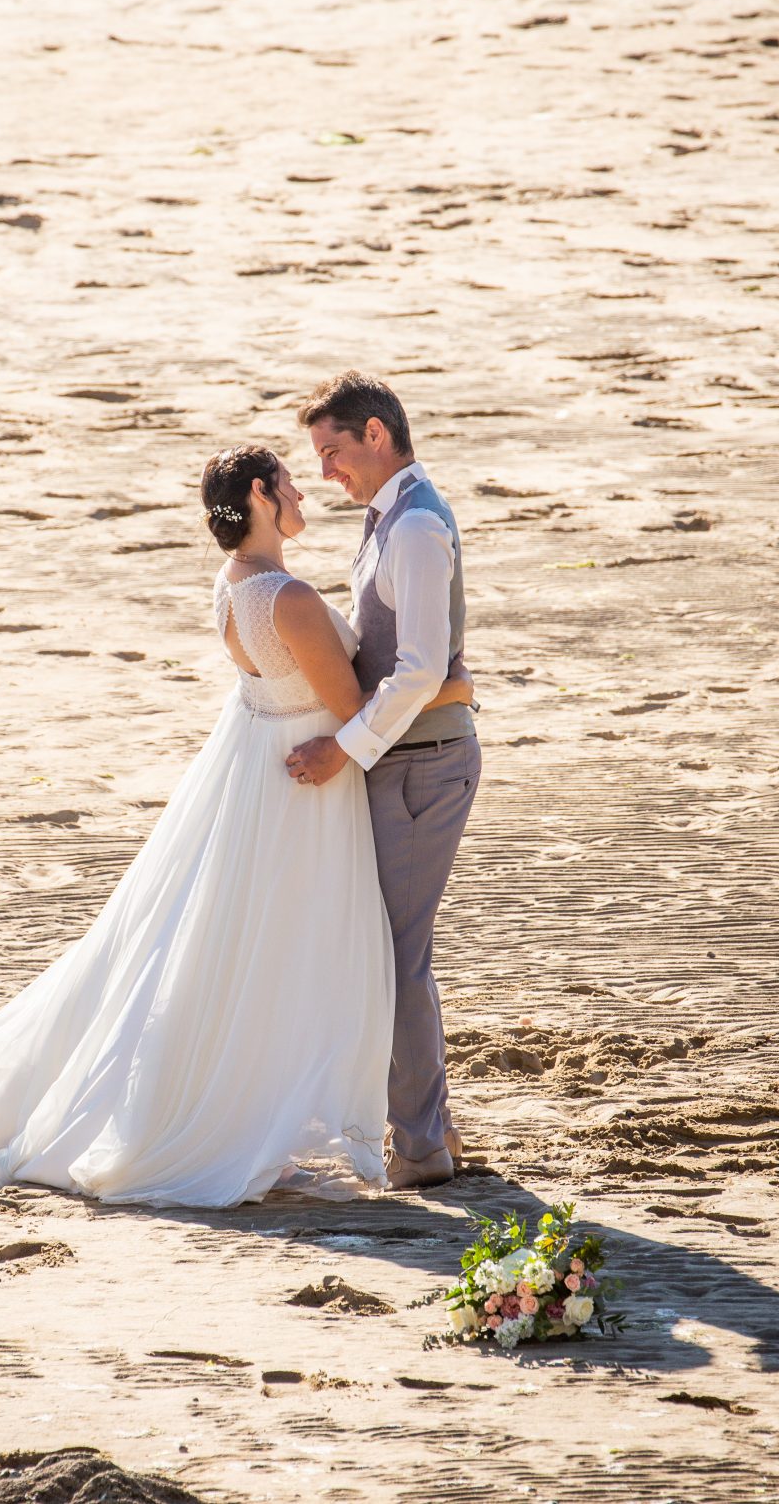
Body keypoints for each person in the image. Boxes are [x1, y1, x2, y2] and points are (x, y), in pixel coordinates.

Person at [0, 444, 474, 1207]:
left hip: (259, 778)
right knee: (298, 959)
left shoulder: (233, 584)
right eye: (286, 480)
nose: (303, 488)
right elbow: (350, 711)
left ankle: (267, 1112)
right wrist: (447, 680)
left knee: (246, 957)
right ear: (258, 493)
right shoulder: (291, 599)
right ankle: (293, 1124)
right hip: (306, 792)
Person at [288, 372, 481, 1190]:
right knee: (395, 953)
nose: (327, 469)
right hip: (405, 759)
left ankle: (425, 1148)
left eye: (332, 451)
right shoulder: (389, 519)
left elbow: (421, 668)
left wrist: (345, 746)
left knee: (397, 957)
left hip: (420, 765)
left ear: (376, 433)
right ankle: (429, 1129)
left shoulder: (413, 526)